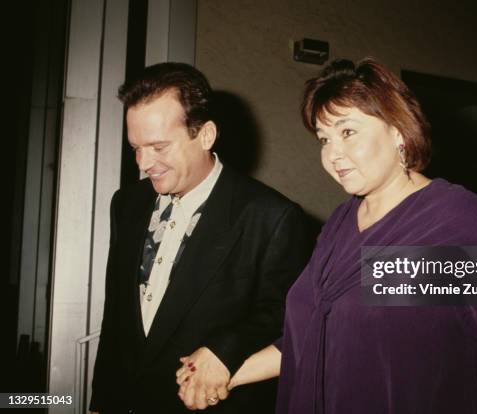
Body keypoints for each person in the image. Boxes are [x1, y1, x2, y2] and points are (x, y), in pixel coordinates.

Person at [177, 58, 477, 413]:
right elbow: (314, 338)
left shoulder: (455, 222)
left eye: (348, 132)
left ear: (398, 131)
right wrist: (224, 372)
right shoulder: (338, 225)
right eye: (323, 139)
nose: (332, 154)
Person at [90, 62, 311, 413]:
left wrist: (225, 348)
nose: (144, 163)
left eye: (159, 147)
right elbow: (116, 314)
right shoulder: (126, 203)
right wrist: (102, 402)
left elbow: (289, 316)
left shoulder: (272, 216)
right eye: (136, 147)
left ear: (205, 135)